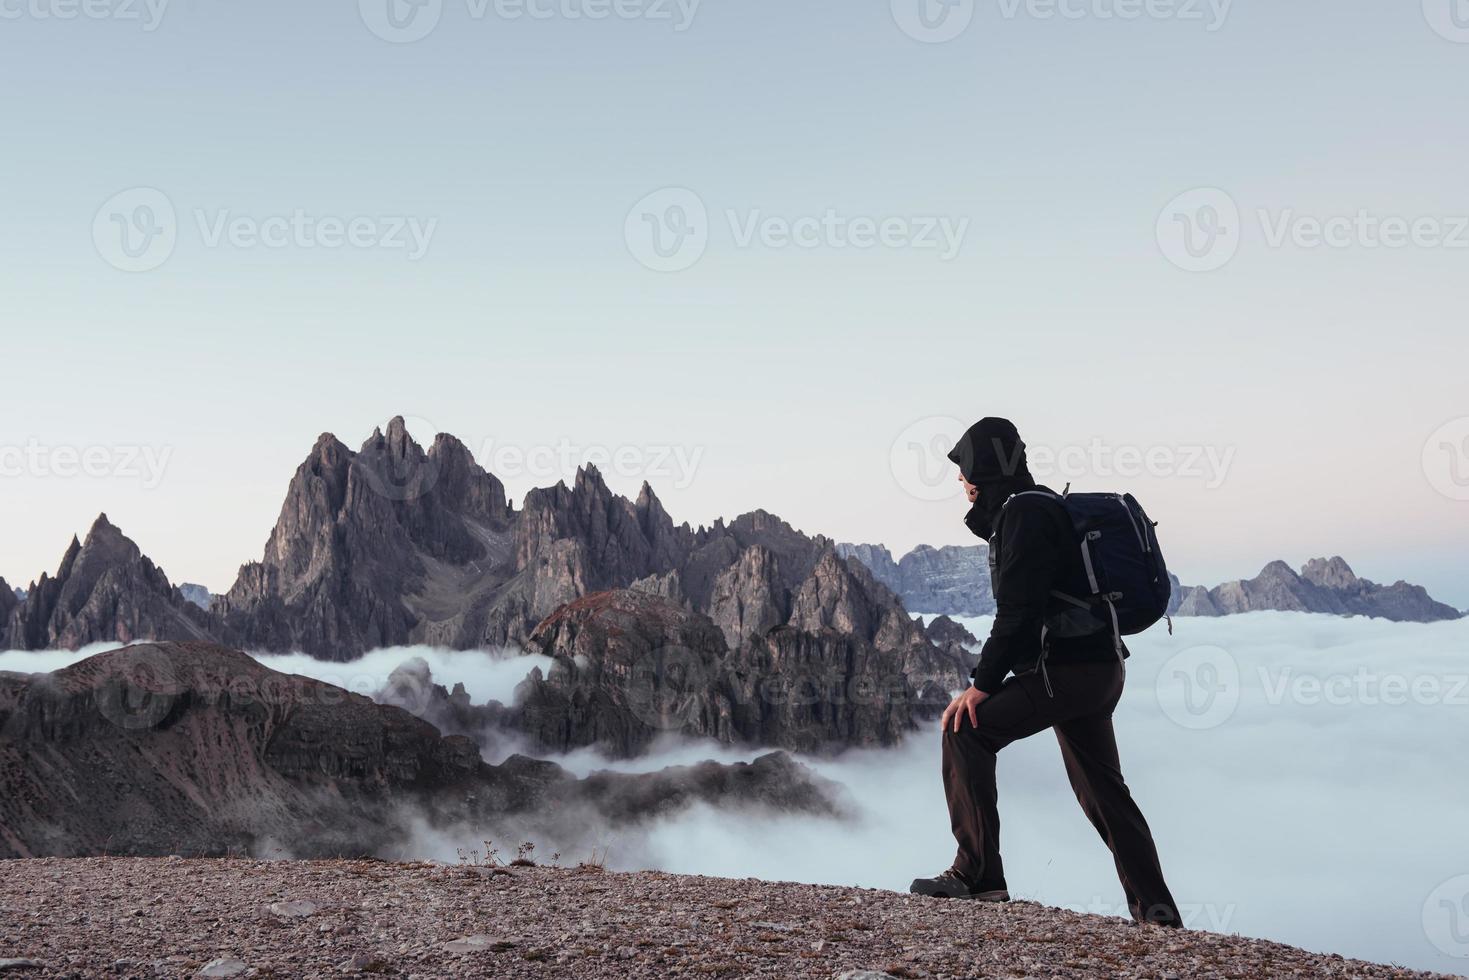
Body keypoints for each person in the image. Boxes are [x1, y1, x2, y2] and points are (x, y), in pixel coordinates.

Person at [908, 417, 1183, 928]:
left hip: (1068, 672)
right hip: (1098, 670)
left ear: (982, 469)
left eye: (964, 470)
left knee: (965, 730)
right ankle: (1158, 915)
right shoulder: (1040, 503)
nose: (960, 483)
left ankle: (978, 876)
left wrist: (981, 686)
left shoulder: (1024, 515)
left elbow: (1019, 611)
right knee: (1105, 793)